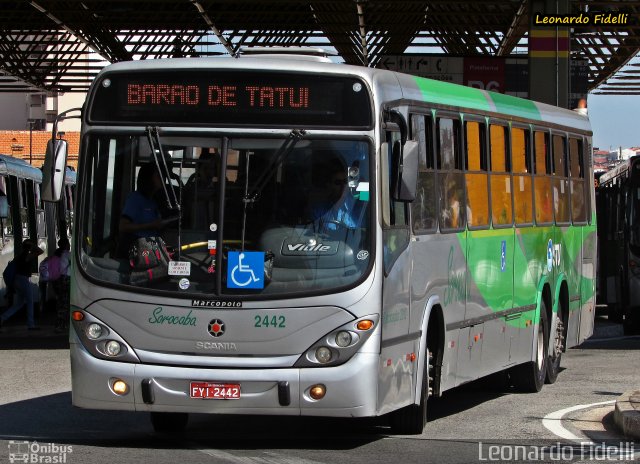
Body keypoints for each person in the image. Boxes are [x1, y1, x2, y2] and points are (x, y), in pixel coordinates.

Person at [116, 163, 165, 258]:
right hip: (136, 250)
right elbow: (123, 226)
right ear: (149, 178)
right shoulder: (135, 199)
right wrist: (151, 225)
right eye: (158, 176)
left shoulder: (152, 200)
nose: (162, 178)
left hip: (150, 249)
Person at [305, 156, 360, 231]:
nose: (343, 186)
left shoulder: (355, 207)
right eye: (338, 182)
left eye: (345, 182)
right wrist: (341, 200)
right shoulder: (318, 209)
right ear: (329, 185)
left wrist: (363, 188)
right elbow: (317, 230)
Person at [0, 239, 44, 331]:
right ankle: (31, 324)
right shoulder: (27, 256)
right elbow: (41, 251)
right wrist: (33, 245)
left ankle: (2, 318)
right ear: (29, 247)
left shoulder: (18, 256)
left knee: (19, 303)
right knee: (30, 301)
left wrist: (29, 245)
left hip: (16, 280)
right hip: (23, 280)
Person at [183, 150, 219, 229]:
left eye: (212, 168)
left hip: (215, 226)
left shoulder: (220, 184)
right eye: (205, 168)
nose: (208, 171)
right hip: (196, 226)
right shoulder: (193, 183)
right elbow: (187, 196)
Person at [52, 237, 71, 333]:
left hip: (57, 281)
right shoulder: (67, 254)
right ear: (66, 245)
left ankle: (59, 324)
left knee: (60, 302)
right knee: (67, 303)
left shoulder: (56, 254)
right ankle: (63, 325)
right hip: (66, 280)